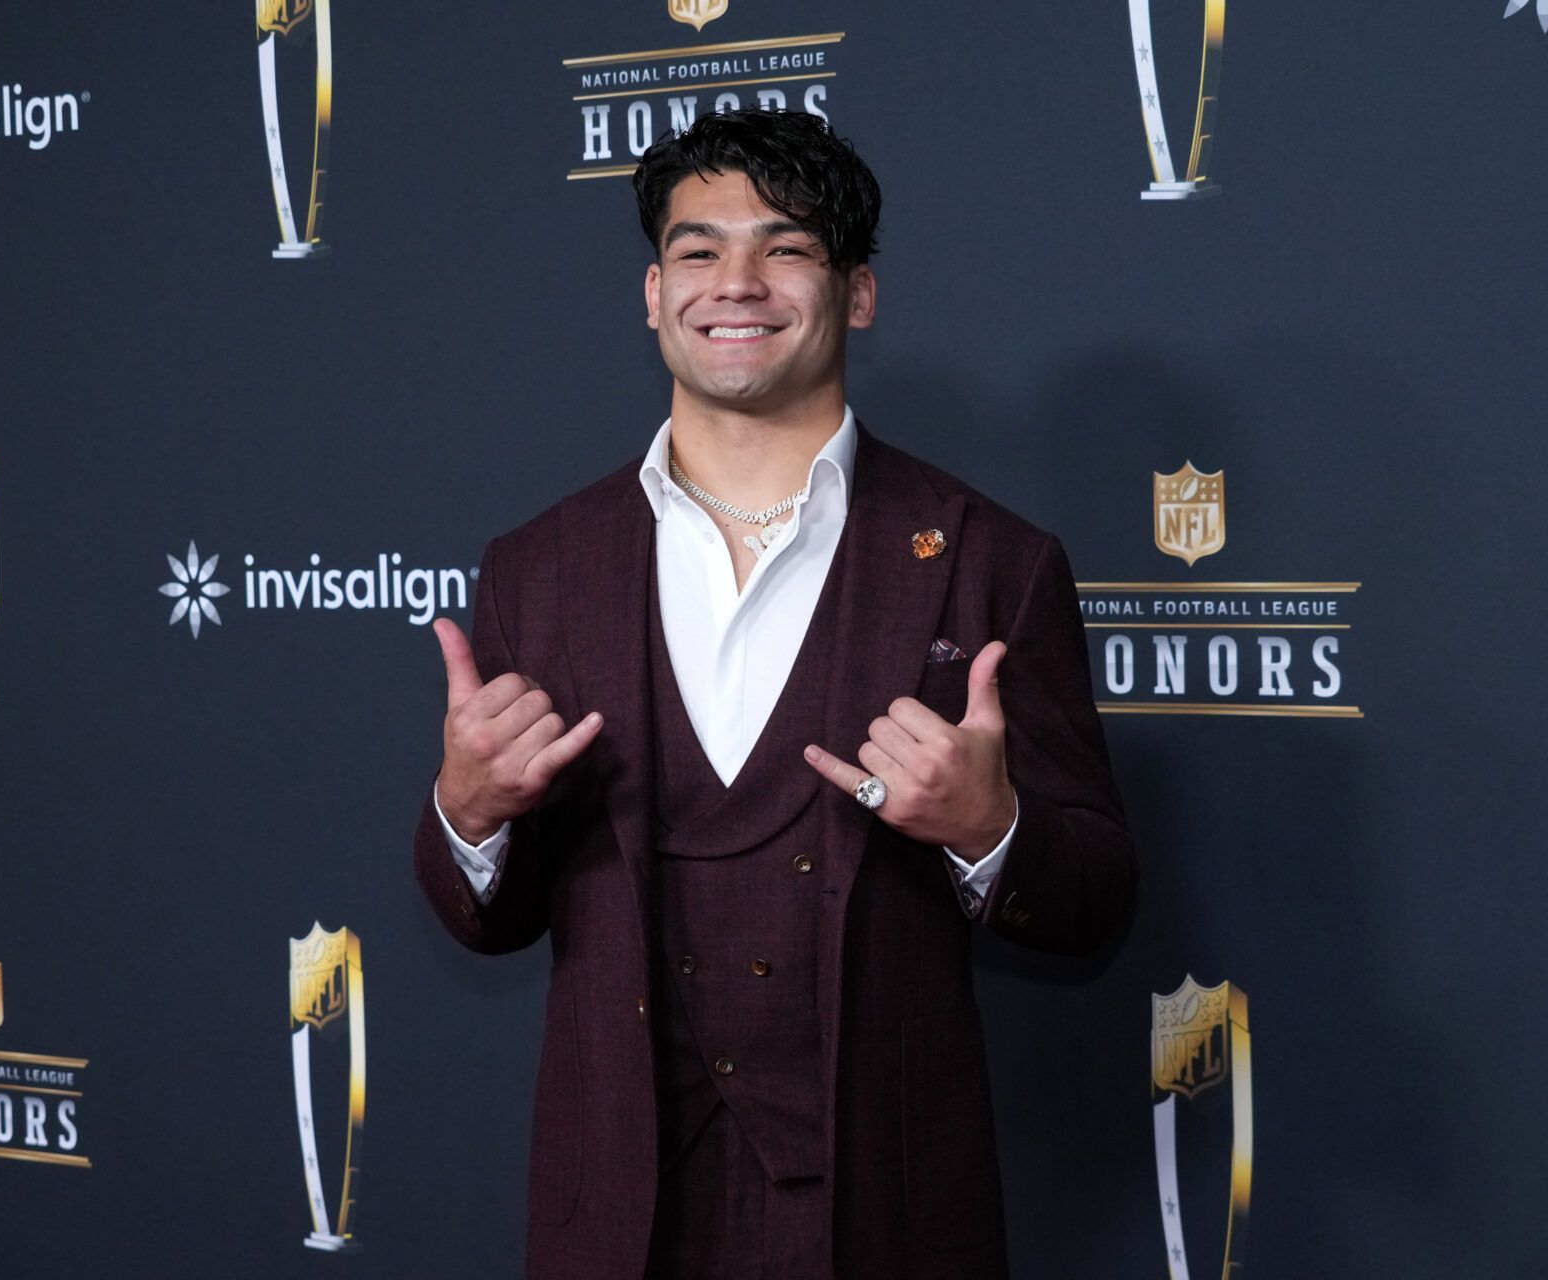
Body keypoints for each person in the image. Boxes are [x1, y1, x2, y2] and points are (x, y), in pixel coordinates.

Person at [414, 108, 1135, 1280]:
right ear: (653, 293)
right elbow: (488, 918)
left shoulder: (992, 559)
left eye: (785, 247)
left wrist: (989, 830)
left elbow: (1098, 897)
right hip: (616, 1218)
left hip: (886, 1214)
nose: (735, 281)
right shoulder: (537, 568)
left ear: (856, 293)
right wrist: (468, 810)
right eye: (698, 251)